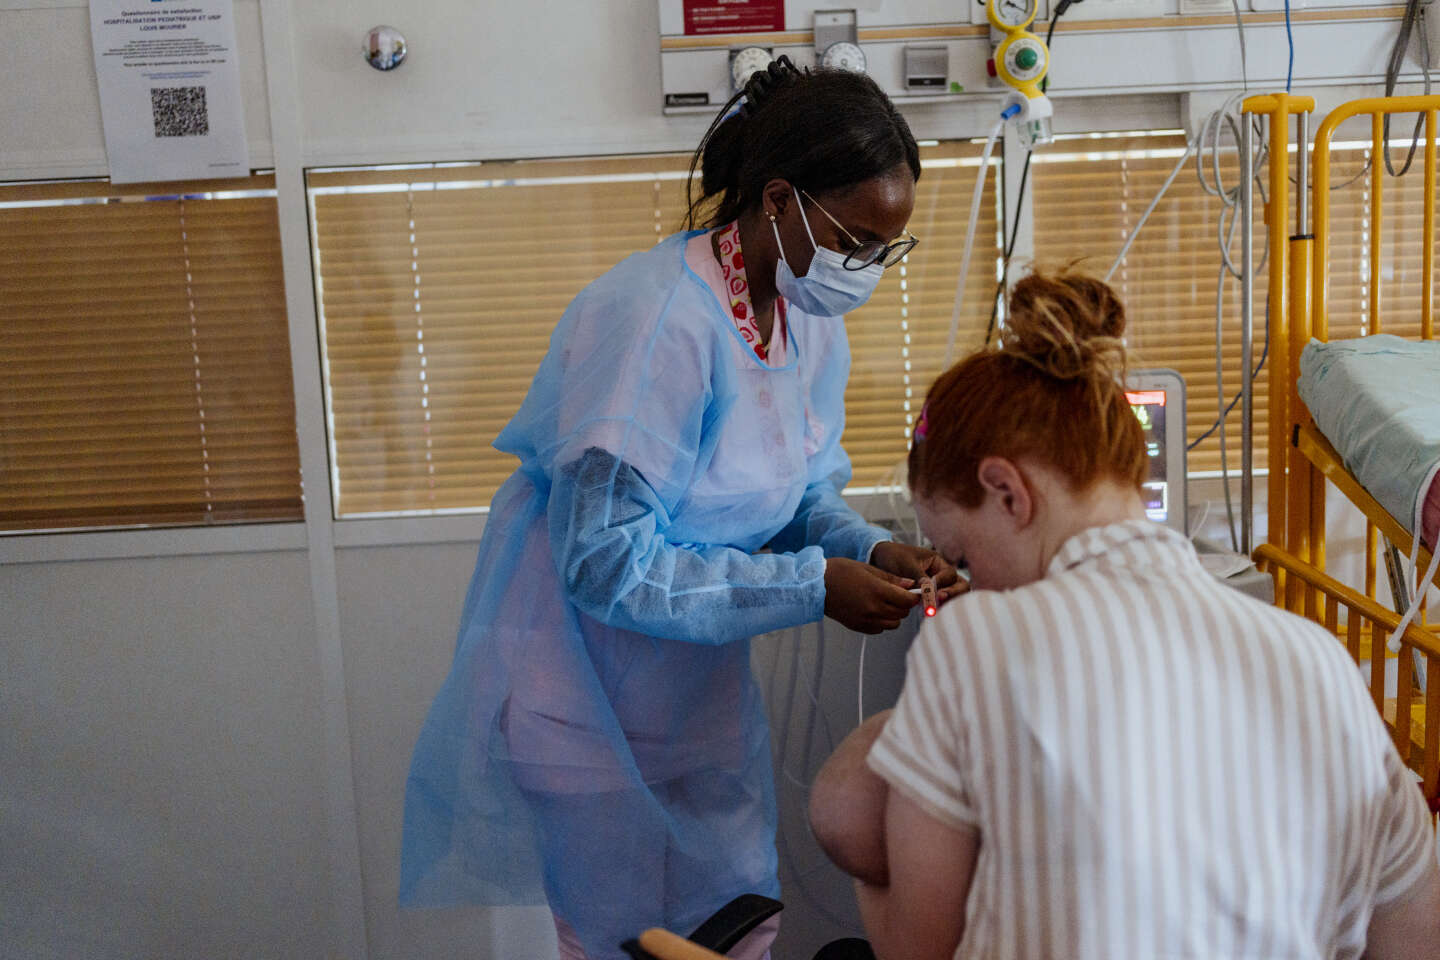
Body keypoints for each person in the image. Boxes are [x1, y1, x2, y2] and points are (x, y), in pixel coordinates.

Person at [399, 58, 959, 960]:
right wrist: (816, 587)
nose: (868, 268)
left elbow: (797, 487)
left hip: (696, 693)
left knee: (739, 922)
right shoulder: (656, 320)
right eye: (857, 239)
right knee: (631, 944)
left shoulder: (806, 313)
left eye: (885, 248)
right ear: (778, 199)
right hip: (582, 695)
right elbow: (605, 562)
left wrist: (866, 546)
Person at [808, 269, 1440, 960]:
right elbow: (1413, 935)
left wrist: (864, 850)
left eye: (961, 554)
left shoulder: (976, 642)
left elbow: (922, 951)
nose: (968, 582)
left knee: (851, 797)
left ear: (1007, 492)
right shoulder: (1317, 659)